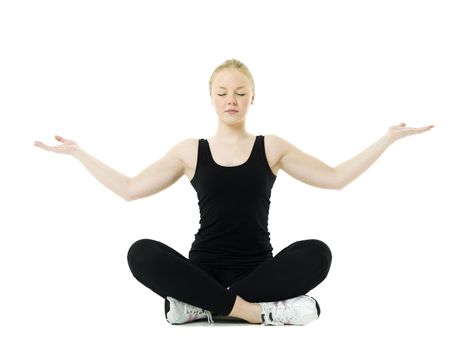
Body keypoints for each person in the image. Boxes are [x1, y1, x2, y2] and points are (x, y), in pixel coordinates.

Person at [34, 58, 435, 326]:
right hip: (202, 267)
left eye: (240, 92)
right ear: (211, 98)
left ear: (252, 98)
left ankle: (198, 306)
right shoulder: (190, 150)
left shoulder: (272, 146)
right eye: (223, 92)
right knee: (141, 251)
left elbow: (334, 177)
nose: (231, 99)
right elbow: (129, 188)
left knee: (317, 252)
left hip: (258, 270)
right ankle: (254, 314)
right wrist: (78, 154)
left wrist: (388, 140)